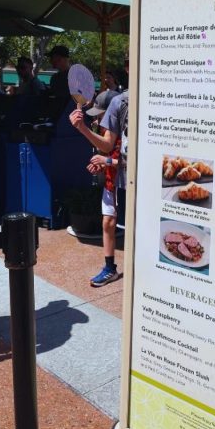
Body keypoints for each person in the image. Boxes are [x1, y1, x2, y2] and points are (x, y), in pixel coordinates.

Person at [70, 87, 128, 286]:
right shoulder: (105, 130)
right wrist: (101, 165)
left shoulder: (126, 132)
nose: (98, 119)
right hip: (112, 182)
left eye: (101, 114)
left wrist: (106, 161)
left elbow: (127, 162)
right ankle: (109, 267)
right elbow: (108, 153)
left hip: (125, 185)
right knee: (107, 223)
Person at [45, 45, 72, 115]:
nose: (50, 61)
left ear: (62, 58)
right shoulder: (54, 78)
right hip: (56, 116)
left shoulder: (76, 76)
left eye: (52, 58)